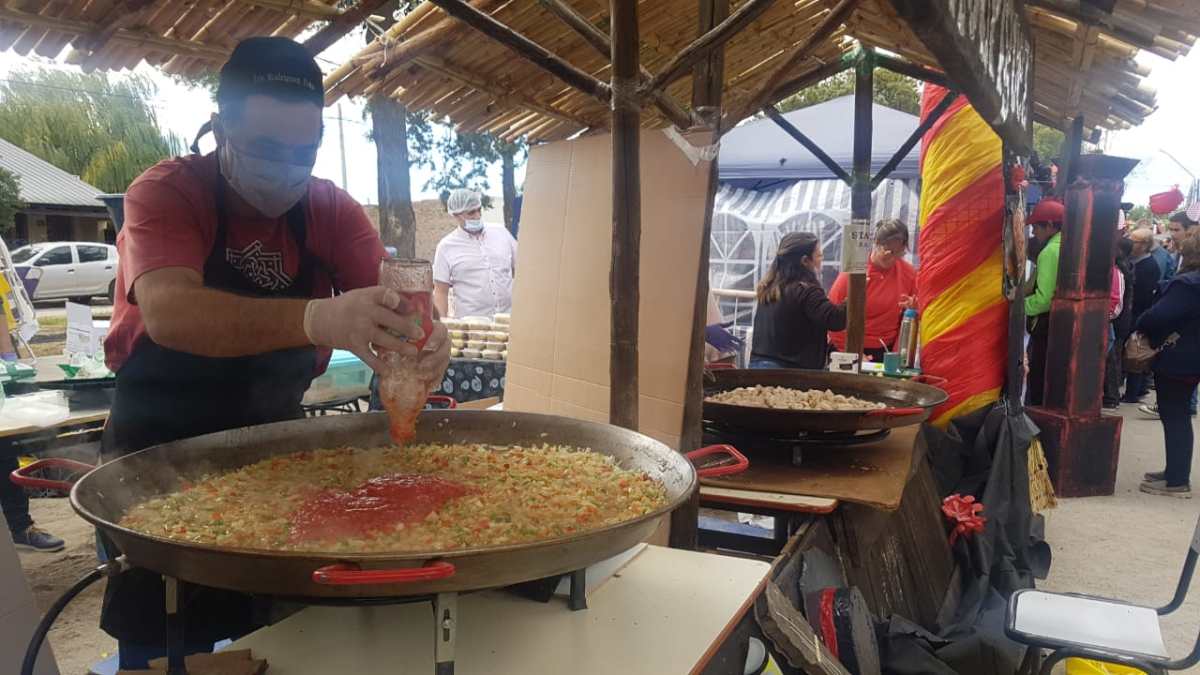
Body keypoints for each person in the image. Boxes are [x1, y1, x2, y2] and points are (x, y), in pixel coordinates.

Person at [99, 37, 450, 669]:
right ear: (220, 129)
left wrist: (423, 337)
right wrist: (318, 316)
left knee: (288, 638)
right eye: (267, 148)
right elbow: (171, 312)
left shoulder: (327, 207)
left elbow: (400, 299)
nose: (287, 168)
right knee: (161, 643)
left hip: (273, 452)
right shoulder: (169, 192)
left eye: (303, 152)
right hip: (158, 455)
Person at [1137, 231, 1200, 498]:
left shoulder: (1188, 284)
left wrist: (1141, 324)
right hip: (1191, 356)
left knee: (1174, 415)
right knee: (1178, 414)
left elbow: (1158, 316)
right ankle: (1174, 471)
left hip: (1179, 357)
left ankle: (1177, 480)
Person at [749, 232, 846, 369]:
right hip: (788, 371)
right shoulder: (806, 290)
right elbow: (835, 319)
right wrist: (856, 296)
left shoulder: (770, 288)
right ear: (805, 261)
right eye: (819, 255)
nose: (822, 259)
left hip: (758, 366)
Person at [828, 219, 917, 362]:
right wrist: (853, 352)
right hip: (850, 347)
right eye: (888, 252)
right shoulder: (855, 271)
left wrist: (897, 354)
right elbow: (833, 319)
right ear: (876, 243)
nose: (892, 258)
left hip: (887, 350)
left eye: (899, 253)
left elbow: (910, 318)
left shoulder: (909, 274)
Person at [432, 188, 517, 319]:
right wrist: (443, 324)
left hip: (508, 319)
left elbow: (522, 270)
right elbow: (441, 292)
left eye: (479, 210)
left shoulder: (501, 233)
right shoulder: (446, 247)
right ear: (456, 215)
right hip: (472, 325)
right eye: (471, 213)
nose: (477, 216)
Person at [1024, 199, 1064, 406]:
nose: (1033, 232)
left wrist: (1017, 307)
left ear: (1049, 225)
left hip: (1047, 325)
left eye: (1036, 227)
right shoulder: (1069, 244)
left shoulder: (1049, 252)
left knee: (1038, 378)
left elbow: (1044, 300)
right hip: (1063, 325)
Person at [1123, 228, 1163, 404]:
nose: (1131, 244)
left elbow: (1144, 296)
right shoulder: (1134, 261)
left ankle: (1135, 392)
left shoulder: (1149, 266)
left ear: (1145, 245)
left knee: (1136, 353)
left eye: (1135, 241)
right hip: (1133, 312)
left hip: (1139, 314)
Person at [1103, 238, 1134, 409]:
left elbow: (1116, 302)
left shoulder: (1116, 271)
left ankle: (1111, 397)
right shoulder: (1115, 270)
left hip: (1112, 322)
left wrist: (1104, 318)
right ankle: (1110, 396)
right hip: (1111, 321)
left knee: (1110, 360)